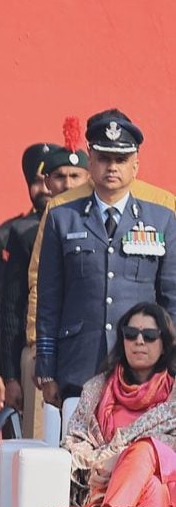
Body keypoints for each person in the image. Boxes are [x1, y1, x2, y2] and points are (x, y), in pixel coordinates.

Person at [34, 109, 176, 405]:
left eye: (121, 159)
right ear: (90, 160)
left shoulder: (162, 219)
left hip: (144, 368)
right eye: (103, 158)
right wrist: (46, 368)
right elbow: (48, 298)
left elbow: (171, 298)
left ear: (135, 165)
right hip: (79, 363)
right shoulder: (63, 218)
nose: (112, 167)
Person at [64, 302, 176, 507]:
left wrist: (121, 460)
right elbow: (74, 442)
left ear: (164, 345)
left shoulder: (174, 394)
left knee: (146, 450)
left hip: (168, 487)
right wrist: (98, 468)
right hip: (100, 486)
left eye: (149, 335)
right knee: (151, 487)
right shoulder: (97, 390)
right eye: (131, 334)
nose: (139, 341)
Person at [0, 143, 55, 410]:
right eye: (36, 182)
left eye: (49, 180)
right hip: (23, 361)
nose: (44, 189)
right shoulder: (11, 234)